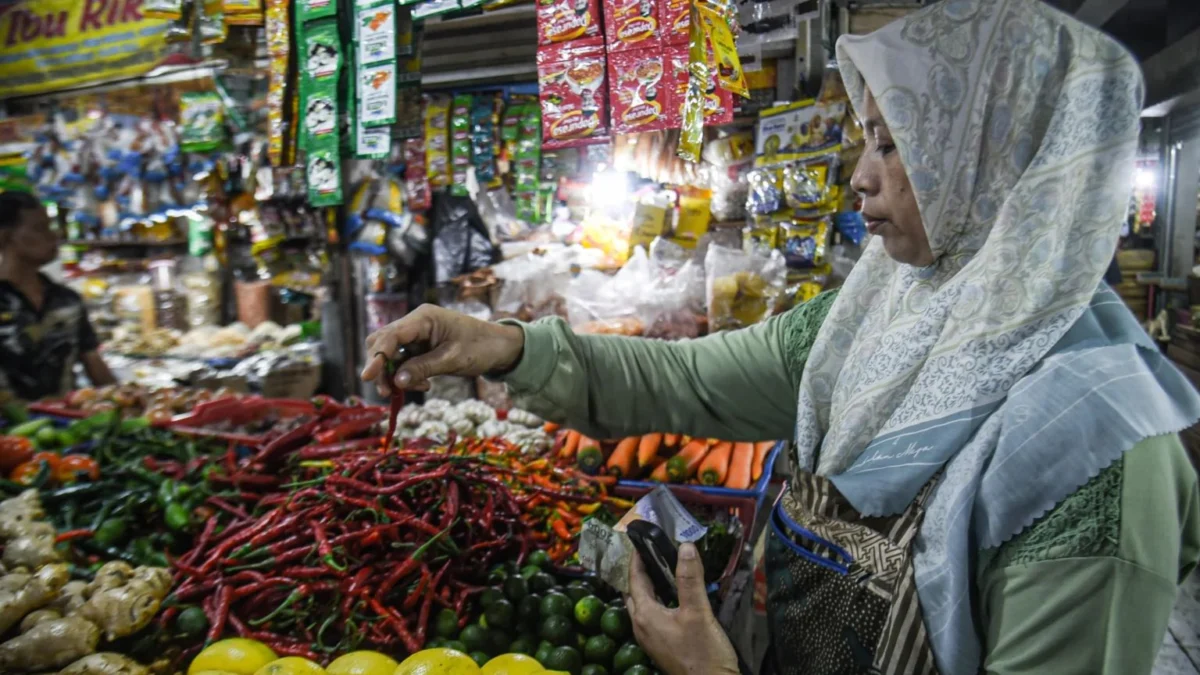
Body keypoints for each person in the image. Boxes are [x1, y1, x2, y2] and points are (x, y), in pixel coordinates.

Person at [364, 1, 1200, 673]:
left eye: (894, 143)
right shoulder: (878, 313)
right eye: (866, 142)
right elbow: (684, 381)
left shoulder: (1099, 461)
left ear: (999, 159)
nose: (859, 177)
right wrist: (501, 345)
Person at [0, 191, 115, 403]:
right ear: (6, 236)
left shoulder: (67, 300)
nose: (53, 236)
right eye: (40, 228)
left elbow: (94, 363)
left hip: (65, 430)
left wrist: (123, 402)